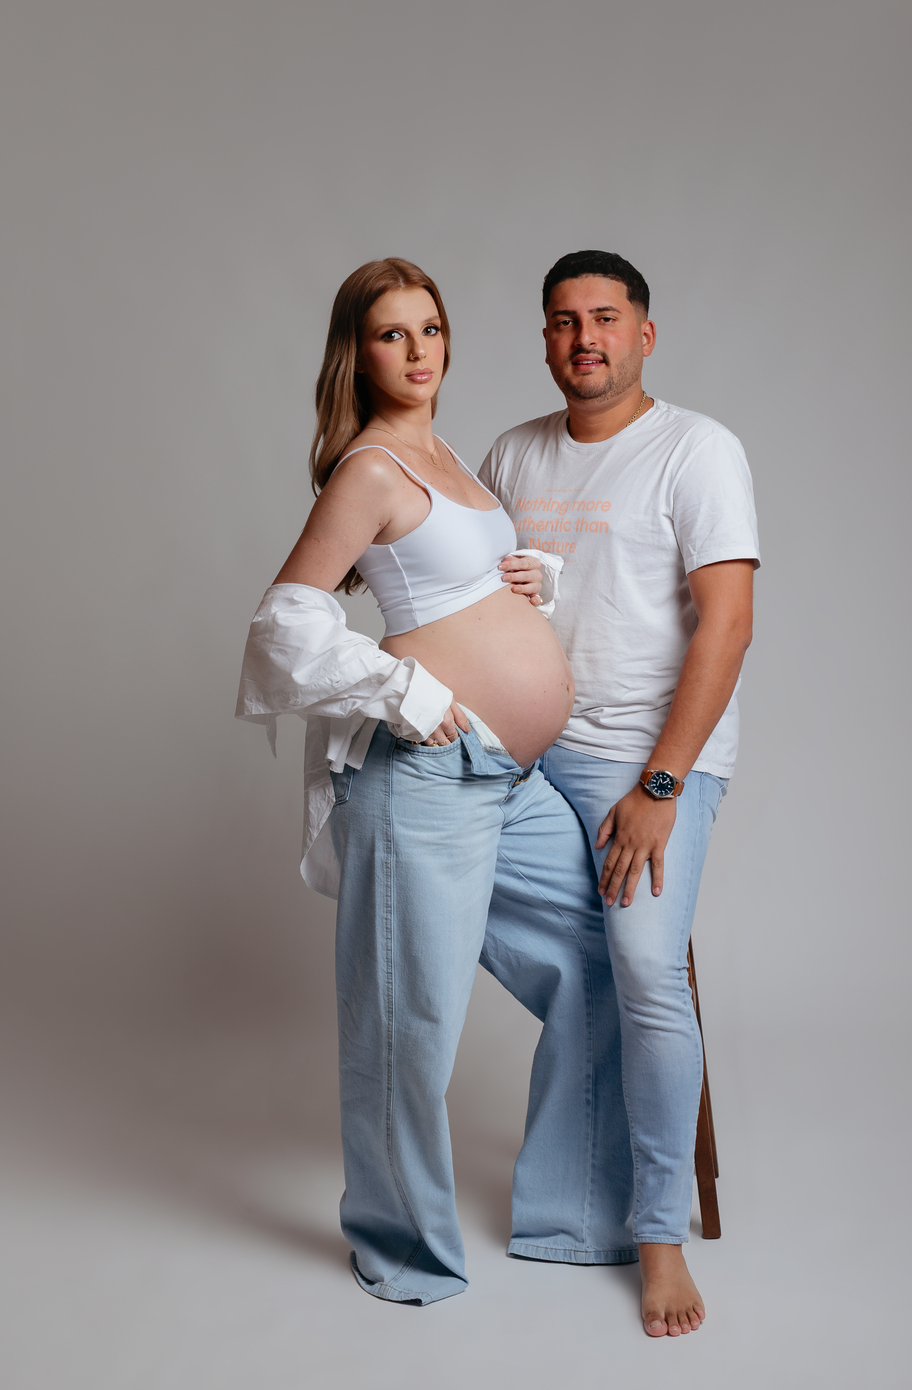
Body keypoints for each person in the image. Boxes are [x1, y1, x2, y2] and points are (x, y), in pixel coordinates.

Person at [235, 258, 634, 1307]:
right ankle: (403, 1247)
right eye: (392, 335)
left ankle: (568, 1215)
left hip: (510, 777)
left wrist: (530, 580)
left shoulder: (450, 455)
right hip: (427, 779)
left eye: (431, 329)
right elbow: (283, 624)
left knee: (603, 966)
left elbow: (454, 586)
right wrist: (398, 687)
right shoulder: (367, 469)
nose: (418, 352)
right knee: (406, 1028)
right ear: (357, 353)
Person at [480, 250, 760, 1338]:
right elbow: (478, 599)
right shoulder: (514, 453)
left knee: (644, 966)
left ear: (645, 334)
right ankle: (573, 1197)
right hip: (528, 742)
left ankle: (656, 1235)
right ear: (545, 340)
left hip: (642, 760)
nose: (583, 338)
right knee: (403, 834)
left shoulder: (696, 449)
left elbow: (728, 625)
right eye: (563, 320)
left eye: (604, 318)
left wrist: (660, 784)